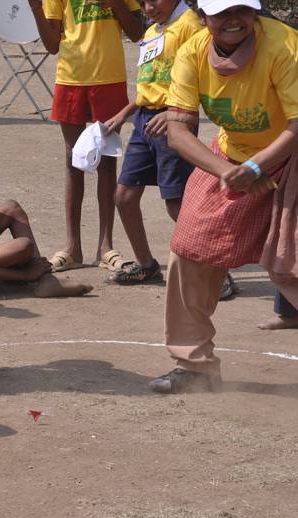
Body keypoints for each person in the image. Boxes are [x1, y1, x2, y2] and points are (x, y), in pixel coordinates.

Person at [151, 0, 298, 394]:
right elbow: (178, 130)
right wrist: (228, 173)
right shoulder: (192, 51)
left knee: (292, 267)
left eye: (242, 10)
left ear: (256, 12)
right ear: (203, 16)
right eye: (221, 12)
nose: (233, 19)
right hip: (231, 158)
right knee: (189, 250)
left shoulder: (284, 47)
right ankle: (194, 365)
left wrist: (254, 169)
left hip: (290, 158)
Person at [28, 0, 143, 273]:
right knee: (73, 159)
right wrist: (36, 11)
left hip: (109, 77)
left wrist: (115, 4)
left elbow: (139, 32)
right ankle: (72, 248)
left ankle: (106, 246)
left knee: (106, 158)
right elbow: (52, 44)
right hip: (71, 78)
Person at [103, 0, 201, 284]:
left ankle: (215, 272)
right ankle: (146, 264)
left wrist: (175, 114)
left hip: (174, 121)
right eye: (142, 2)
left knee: (176, 203)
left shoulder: (190, 26)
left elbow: (201, 80)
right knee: (124, 196)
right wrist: (124, 114)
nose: (148, 7)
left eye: (154, 0)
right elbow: (151, 83)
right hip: (144, 121)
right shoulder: (152, 31)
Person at [0, 199, 94, 298]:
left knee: (12, 208)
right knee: (23, 246)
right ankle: (36, 274)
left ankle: (46, 278)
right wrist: (25, 275)